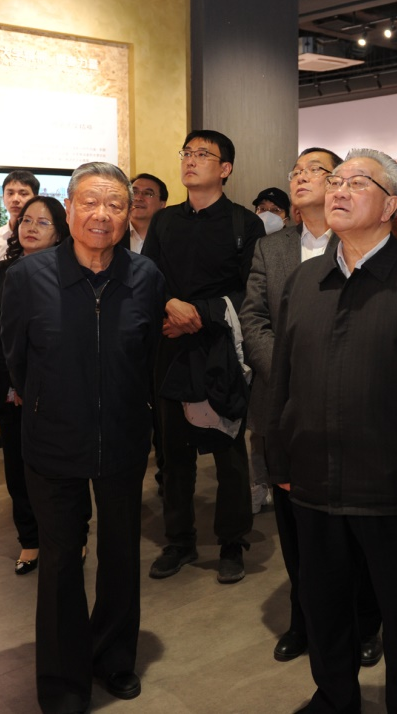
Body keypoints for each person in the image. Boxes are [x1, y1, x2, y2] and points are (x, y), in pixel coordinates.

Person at [266, 148, 397, 713]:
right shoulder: (304, 281)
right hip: (313, 485)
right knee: (324, 609)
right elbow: (282, 381)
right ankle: (334, 698)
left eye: (357, 182)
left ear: (392, 206)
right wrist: (279, 461)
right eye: (335, 180)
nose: (338, 190)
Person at [2, 162, 164, 712]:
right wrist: (49, 402)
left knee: (120, 553)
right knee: (60, 560)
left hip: (122, 437)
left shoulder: (146, 277)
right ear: (68, 208)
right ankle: (63, 681)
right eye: (90, 202)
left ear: (129, 214)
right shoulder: (28, 277)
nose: (102, 214)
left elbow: (148, 357)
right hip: (52, 440)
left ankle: (113, 656)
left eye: (115, 204)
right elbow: (17, 359)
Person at [239, 146, 383, 667]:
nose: (301, 178)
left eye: (314, 170)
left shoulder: (358, 245)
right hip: (283, 410)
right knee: (296, 529)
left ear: (340, 182)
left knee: (355, 529)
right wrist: (289, 374)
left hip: (351, 413)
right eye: (295, 171)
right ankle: (305, 620)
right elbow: (253, 320)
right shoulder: (271, 247)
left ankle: (364, 622)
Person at [142, 130, 265, 585]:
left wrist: (200, 313)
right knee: (173, 453)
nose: (191, 161)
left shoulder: (243, 224)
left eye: (203, 154)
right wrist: (170, 307)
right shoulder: (164, 221)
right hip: (170, 344)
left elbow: (251, 291)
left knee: (228, 452)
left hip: (219, 348)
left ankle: (232, 542)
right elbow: (147, 278)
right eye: (187, 153)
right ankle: (179, 540)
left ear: (225, 168)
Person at [0, 195, 70, 576]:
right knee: (18, 467)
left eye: (43, 222)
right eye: (26, 220)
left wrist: (36, 380)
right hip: (10, 389)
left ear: (59, 232)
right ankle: (30, 539)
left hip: (58, 388)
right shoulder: (0, 272)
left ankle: (71, 535)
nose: (31, 227)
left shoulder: (70, 274)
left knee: (63, 469)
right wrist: (17, 380)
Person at [0, 170, 38, 284]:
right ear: (3, 197)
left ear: (35, 197)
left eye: (23, 194)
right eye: (10, 193)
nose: (15, 199)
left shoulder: (44, 237)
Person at [124, 173, 166, 253]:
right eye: (134, 192)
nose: (138, 198)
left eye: (147, 193)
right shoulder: (115, 233)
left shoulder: (170, 236)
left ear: (162, 204)